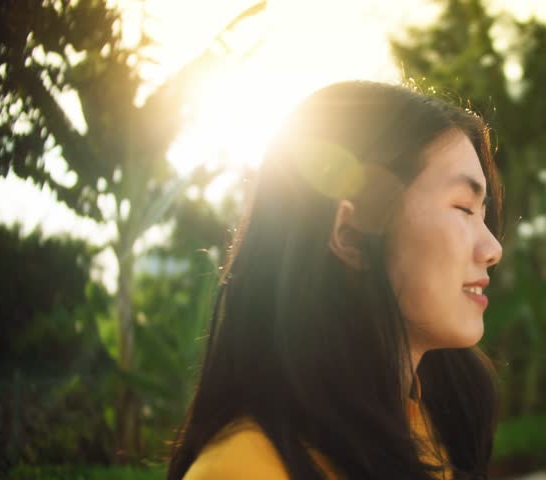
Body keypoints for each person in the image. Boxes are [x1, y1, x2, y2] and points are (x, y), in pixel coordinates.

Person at [166, 81, 504, 480]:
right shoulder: (246, 469)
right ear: (350, 235)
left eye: (483, 214)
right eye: (464, 208)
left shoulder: (438, 423)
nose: (493, 248)